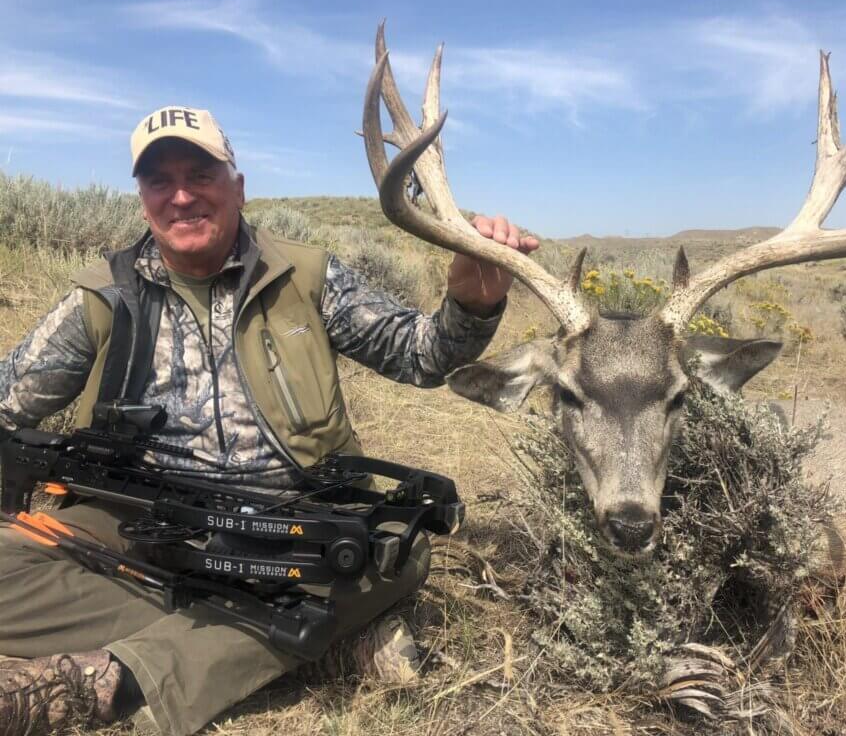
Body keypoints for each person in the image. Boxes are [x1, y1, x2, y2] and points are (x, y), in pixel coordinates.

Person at [0, 106, 538, 736]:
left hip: (294, 524)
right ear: (142, 197)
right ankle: (297, 637)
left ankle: (107, 681)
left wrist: (472, 303)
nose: (181, 196)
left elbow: (419, 355)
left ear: (238, 187)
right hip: (132, 520)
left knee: (393, 550)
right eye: (159, 180)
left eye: (200, 174)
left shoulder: (305, 276)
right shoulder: (103, 295)